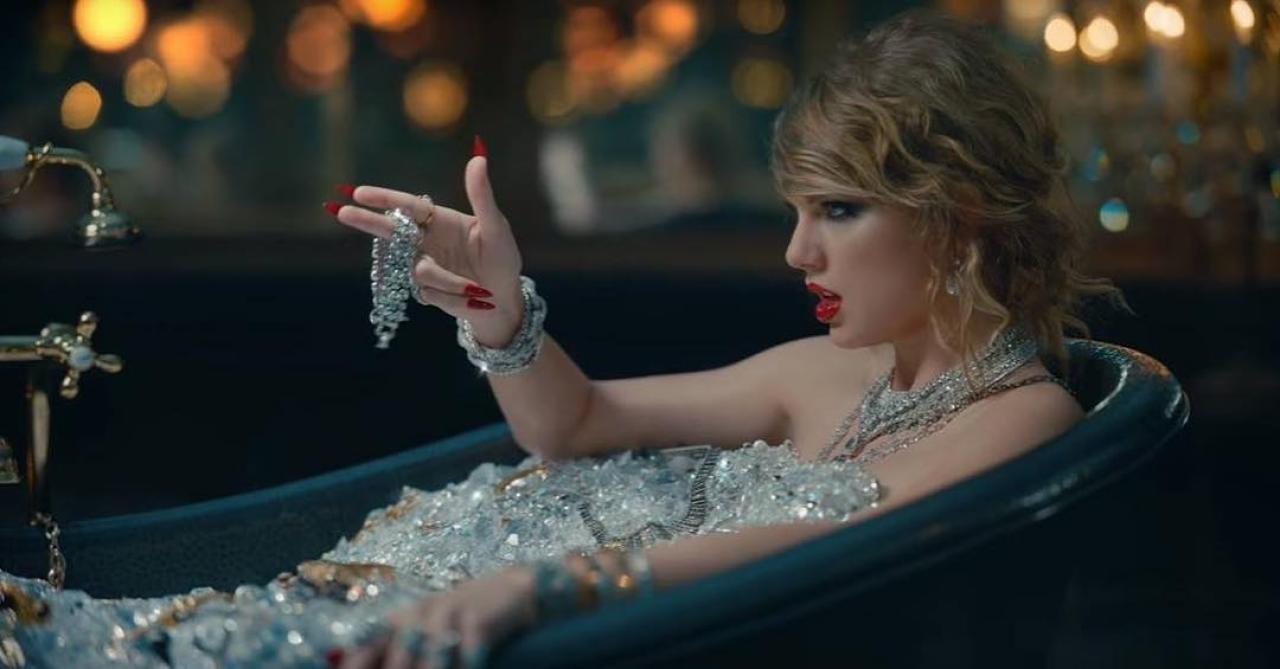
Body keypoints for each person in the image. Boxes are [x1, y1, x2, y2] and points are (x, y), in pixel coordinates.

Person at [0, 9, 1124, 669]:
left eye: (837, 210)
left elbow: (820, 553)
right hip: (412, 579)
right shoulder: (829, 370)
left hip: (514, 632)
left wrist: (549, 589)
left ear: (955, 210)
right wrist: (499, 307)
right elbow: (576, 422)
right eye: (796, 211)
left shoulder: (1025, 414)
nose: (797, 253)